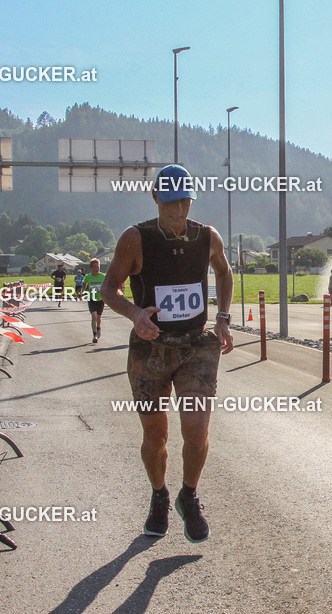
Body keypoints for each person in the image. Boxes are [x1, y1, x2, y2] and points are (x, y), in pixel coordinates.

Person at [101, 164, 233, 544]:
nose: (178, 211)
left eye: (185, 202)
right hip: (151, 349)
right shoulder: (135, 239)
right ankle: (159, 495)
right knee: (156, 435)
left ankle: (188, 496)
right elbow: (109, 288)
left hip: (196, 346)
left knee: (197, 430)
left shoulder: (207, 236)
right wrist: (135, 314)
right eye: (171, 203)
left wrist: (223, 317)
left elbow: (224, 273)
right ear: (156, 199)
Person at [82, 258, 106, 343]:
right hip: (92, 299)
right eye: (95, 267)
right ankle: (94, 335)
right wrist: (83, 291)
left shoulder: (103, 276)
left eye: (98, 267)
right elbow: (84, 283)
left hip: (100, 299)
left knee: (98, 318)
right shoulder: (88, 277)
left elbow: (107, 285)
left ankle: (98, 327)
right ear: (91, 268)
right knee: (94, 316)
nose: (97, 269)